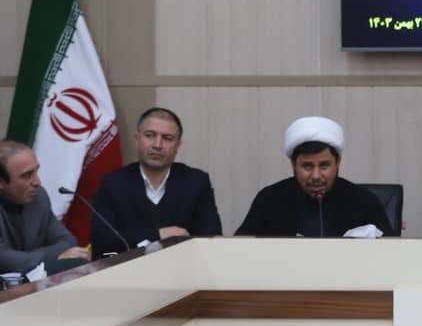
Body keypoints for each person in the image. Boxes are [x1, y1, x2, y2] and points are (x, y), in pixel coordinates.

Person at [90, 107, 222, 253]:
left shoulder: (196, 182)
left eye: (167, 138)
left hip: (182, 264)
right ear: (137, 139)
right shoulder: (113, 183)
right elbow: (101, 240)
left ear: (178, 145)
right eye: (150, 135)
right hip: (130, 266)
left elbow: (211, 238)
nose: (157, 145)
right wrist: (157, 235)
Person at [235, 116, 391, 237]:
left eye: (324, 166)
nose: (316, 176)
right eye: (307, 166)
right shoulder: (269, 200)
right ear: (293, 164)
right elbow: (240, 248)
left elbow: (393, 252)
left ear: (337, 162)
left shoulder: (363, 202)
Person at [0, 140, 89, 276]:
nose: (37, 182)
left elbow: (68, 241)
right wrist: (53, 257)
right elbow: (8, 262)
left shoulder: (38, 197)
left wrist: (32, 258)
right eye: (26, 175)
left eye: (36, 171)